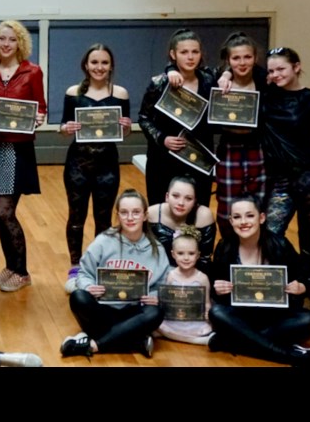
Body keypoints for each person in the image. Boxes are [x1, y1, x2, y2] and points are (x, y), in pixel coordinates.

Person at [208, 197, 310, 367]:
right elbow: (214, 285)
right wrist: (217, 289)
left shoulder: (280, 244)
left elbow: (305, 276)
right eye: (237, 217)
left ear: (261, 218)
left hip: (275, 318)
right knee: (216, 313)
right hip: (241, 316)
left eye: (249, 216)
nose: (243, 222)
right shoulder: (224, 247)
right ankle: (292, 357)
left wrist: (301, 287)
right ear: (231, 221)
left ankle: (232, 342)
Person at [0, 20, 46, 293]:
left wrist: (38, 118)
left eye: (12, 39)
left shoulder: (32, 71)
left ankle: (23, 271)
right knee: (0, 211)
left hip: (18, 148)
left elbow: (41, 108)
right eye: (2, 39)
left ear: (20, 43)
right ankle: (10, 266)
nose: (6, 44)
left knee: (5, 212)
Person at [260, 47, 310, 316]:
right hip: (279, 180)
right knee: (271, 234)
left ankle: (306, 286)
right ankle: (298, 284)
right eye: (272, 70)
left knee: (308, 239)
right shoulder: (265, 97)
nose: (276, 74)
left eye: (282, 69)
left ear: (297, 67)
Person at [61, 189, 170, 359]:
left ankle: (95, 345)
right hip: (104, 309)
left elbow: (163, 285)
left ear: (145, 215)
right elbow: (83, 273)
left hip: (134, 313)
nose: (130, 217)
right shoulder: (103, 241)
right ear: (117, 215)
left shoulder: (156, 249)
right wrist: (89, 286)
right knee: (78, 297)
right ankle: (134, 341)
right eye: (124, 213)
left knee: (156, 312)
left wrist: (156, 296)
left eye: (136, 212)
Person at [58, 43, 131, 290]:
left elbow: (125, 130)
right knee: (76, 217)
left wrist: (126, 126)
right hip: (78, 163)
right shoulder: (73, 92)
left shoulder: (120, 93)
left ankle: (100, 267)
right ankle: (75, 269)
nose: (99, 67)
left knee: (103, 220)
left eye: (104, 63)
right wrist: (65, 129)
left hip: (107, 164)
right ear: (86, 65)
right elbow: (63, 127)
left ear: (111, 66)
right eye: (94, 62)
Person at [139, 28, 218, 209]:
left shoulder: (209, 80)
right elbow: (143, 118)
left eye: (195, 52)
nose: (190, 57)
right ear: (173, 54)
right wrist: (162, 138)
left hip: (198, 159)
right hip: (164, 159)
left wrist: (227, 75)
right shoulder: (160, 83)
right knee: (161, 210)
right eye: (184, 52)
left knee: (197, 211)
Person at [212, 32, 266, 237]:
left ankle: (253, 255)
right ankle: (229, 252)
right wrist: (225, 75)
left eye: (247, 57)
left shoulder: (264, 81)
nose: (242, 62)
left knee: (257, 205)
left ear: (255, 58)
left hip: (258, 150)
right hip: (229, 150)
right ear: (228, 60)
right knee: (227, 207)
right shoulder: (218, 83)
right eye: (236, 58)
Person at [147, 176, 216, 277]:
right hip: (156, 273)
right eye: (175, 196)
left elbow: (204, 258)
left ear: (195, 201)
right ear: (167, 197)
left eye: (188, 198)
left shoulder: (203, 216)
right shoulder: (152, 214)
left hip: (192, 276)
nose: (181, 203)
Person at [157, 226, 213, 345]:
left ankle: (179, 337)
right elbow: (167, 301)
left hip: (194, 320)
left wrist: (207, 313)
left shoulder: (202, 278)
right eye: (181, 253)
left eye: (191, 253)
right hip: (175, 318)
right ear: (173, 254)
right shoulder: (171, 275)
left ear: (198, 255)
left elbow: (207, 303)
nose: (186, 258)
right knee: (157, 326)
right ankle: (195, 340)